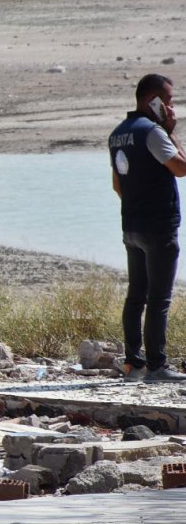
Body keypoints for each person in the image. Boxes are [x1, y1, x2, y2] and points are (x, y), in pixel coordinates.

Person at [109, 74, 186, 383]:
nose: (171, 107)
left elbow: (118, 184)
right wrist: (171, 132)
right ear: (151, 101)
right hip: (158, 226)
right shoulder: (153, 132)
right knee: (159, 298)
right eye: (167, 101)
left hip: (132, 225)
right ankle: (157, 366)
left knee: (136, 295)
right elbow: (181, 168)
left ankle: (133, 363)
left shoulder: (118, 134)